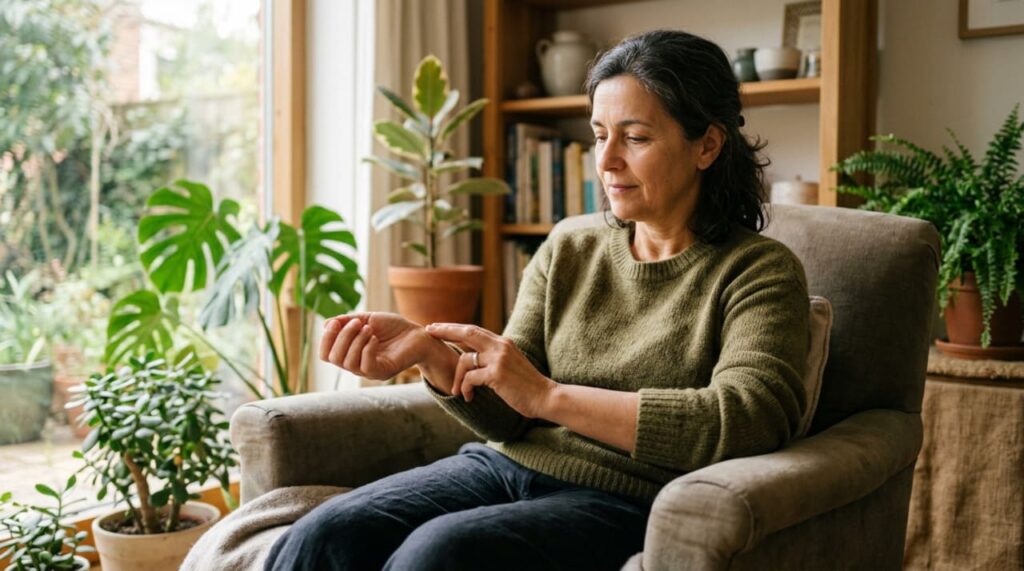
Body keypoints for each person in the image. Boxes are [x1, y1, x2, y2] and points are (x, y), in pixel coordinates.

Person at [264, 29, 809, 571]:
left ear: (707, 145)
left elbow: (748, 419)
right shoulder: (570, 247)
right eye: (599, 136)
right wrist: (427, 354)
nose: (608, 161)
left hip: (625, 499)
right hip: (500, 467)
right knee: (325, 534)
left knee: (439, 555)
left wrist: (549, 397)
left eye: (635, 138)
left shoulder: (758, 270)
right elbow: (509, 415)